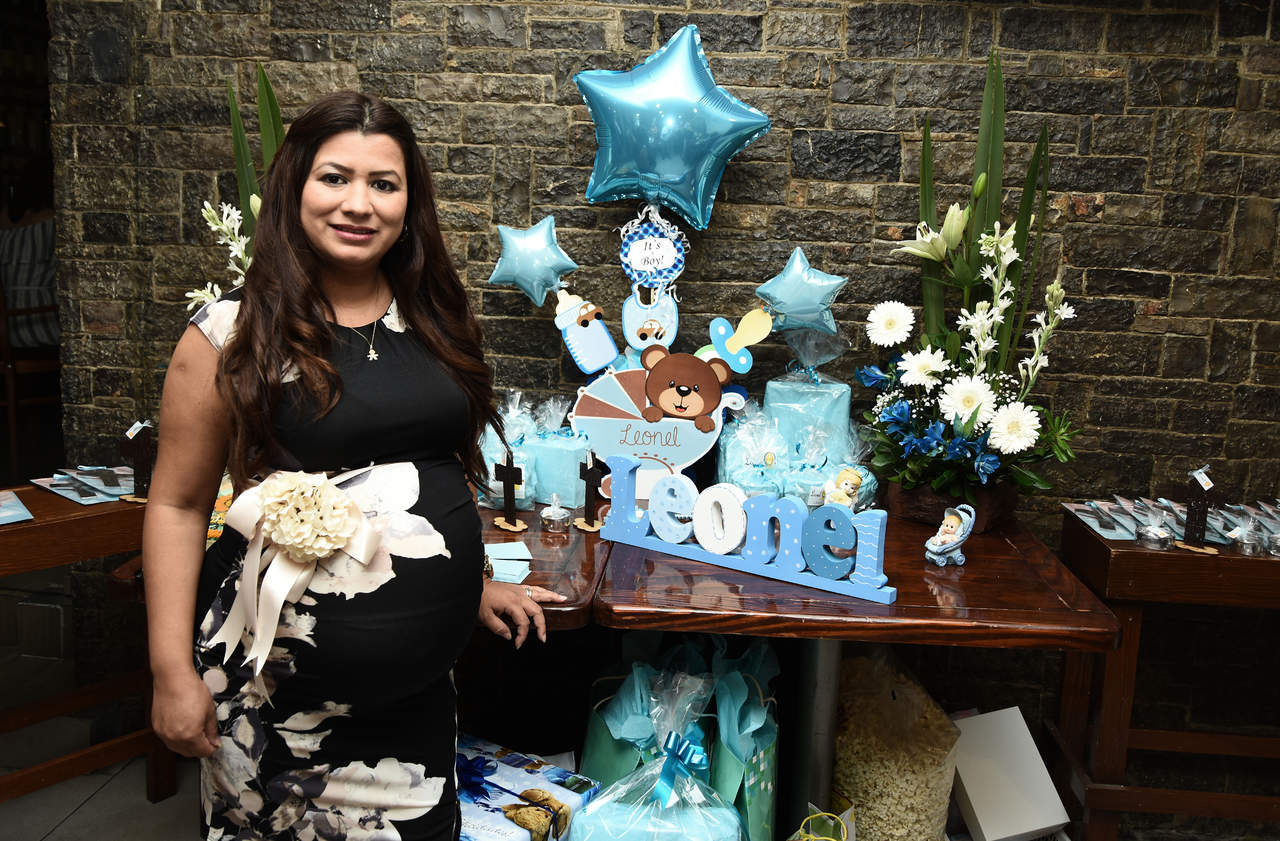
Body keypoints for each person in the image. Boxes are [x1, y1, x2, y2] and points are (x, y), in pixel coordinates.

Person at [142, 91, 564, 841]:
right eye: (335, 178)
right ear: (294, 186)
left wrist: (468, 584)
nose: (359, 204)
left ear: (409, 201)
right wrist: (170, 671)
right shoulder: (230, 333)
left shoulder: (434, 317)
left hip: (418, 707)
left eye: (384, 183)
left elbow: (434, 472)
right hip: (275, 704)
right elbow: (176, 506)